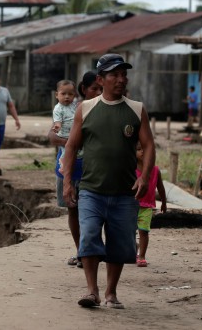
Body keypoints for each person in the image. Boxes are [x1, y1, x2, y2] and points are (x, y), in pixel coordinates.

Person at [62, 53, 155, 309]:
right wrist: (68, 182)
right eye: (115, 74)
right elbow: (71, 147)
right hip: (92, 190)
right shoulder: (86, 108)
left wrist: (145, 177)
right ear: (101, 79)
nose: (121, 79)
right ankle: (91, 291)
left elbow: (148, 146)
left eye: (124, 74)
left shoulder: (136, 110)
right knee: (90, 236)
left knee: (119, 243)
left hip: (125, 192)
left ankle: (111, 292)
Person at [49, 72, 102, 269]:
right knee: (73, 209)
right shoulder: (71, 108)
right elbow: (53, 136)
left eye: (100, 89)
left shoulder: (102, 108)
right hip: (68, 166)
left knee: (91, 212)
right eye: (94, 89)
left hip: (91, 168)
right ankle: (82, 252)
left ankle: (89, 251)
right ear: (84, 89)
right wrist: (72, 143)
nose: (98, 93)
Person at [135, 141, 167, 268]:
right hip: (131, 206)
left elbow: (161, 188)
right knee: (128, 232)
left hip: (146, 206)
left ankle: (142, 256)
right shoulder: (131, 169)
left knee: (144, 231)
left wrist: (164, 202)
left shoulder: (155, 170)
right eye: (139, 149)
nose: (142, 151)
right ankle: (134, 248)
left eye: (145, 149)